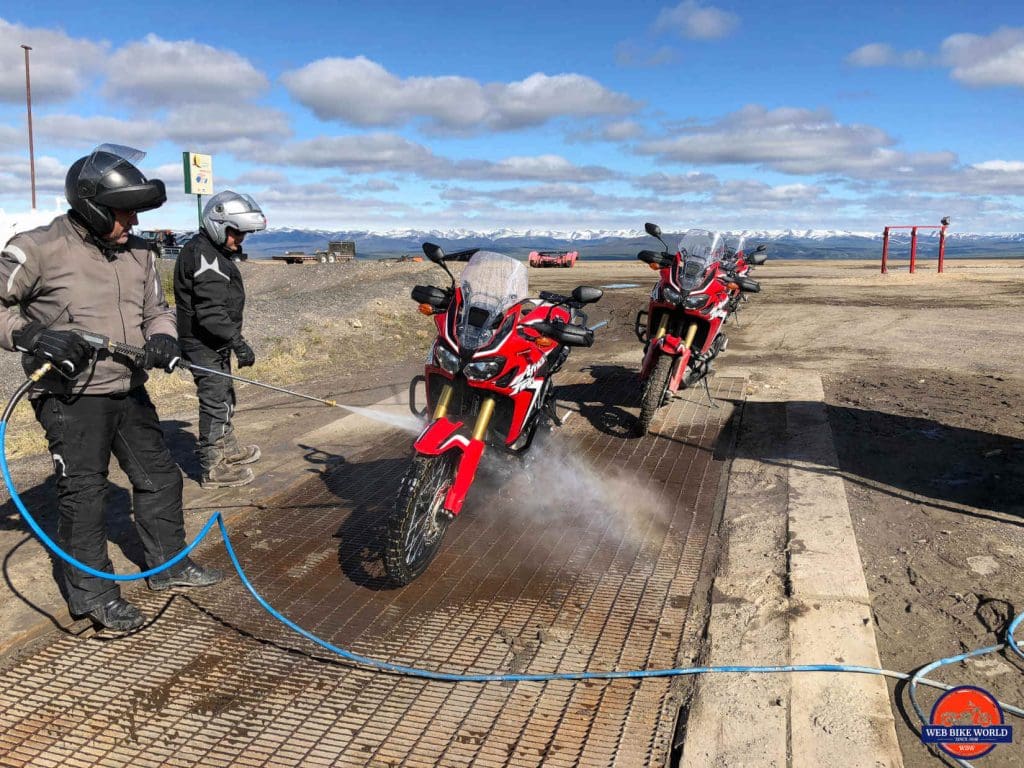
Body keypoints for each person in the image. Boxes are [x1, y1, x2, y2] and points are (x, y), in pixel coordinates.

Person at [0, 144, 223, 632]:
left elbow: (156, 310)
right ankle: (95, 596)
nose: (134, 224)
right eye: (126, 213)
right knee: (85, 495)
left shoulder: (140, 253)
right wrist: (34, 336)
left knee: (161, 477)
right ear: (91, 205)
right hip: (70, 396)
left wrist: (162, 339)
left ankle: (167, 566)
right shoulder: (36, 248)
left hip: (126, 386)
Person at [174, 191, 266, 488]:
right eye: (235, 233)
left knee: (225, 393)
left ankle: (228, 448)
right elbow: (210, 312)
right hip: (203, 342)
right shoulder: (205, 257)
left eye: (243, 234)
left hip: (213, 341)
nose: (240, 239)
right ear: (218, 224)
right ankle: (212, 468)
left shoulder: (211, 252)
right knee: (214, 400)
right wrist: (238, 342)